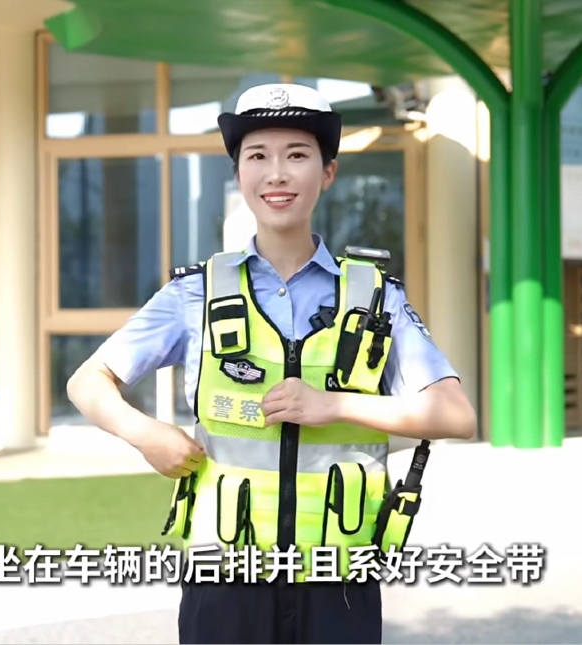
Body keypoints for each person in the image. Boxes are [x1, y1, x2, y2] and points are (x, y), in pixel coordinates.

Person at [66, 83, 477, 644]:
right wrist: (145, 434)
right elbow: (88, 381)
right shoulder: (195, 294)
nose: (277, 174)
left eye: (297, 155)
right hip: (224, 579)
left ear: (327, 173)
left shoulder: (378, 297)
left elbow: (455, 415)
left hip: (339, 578)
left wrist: (333, 405)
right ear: (239, 174)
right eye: (257, 156)